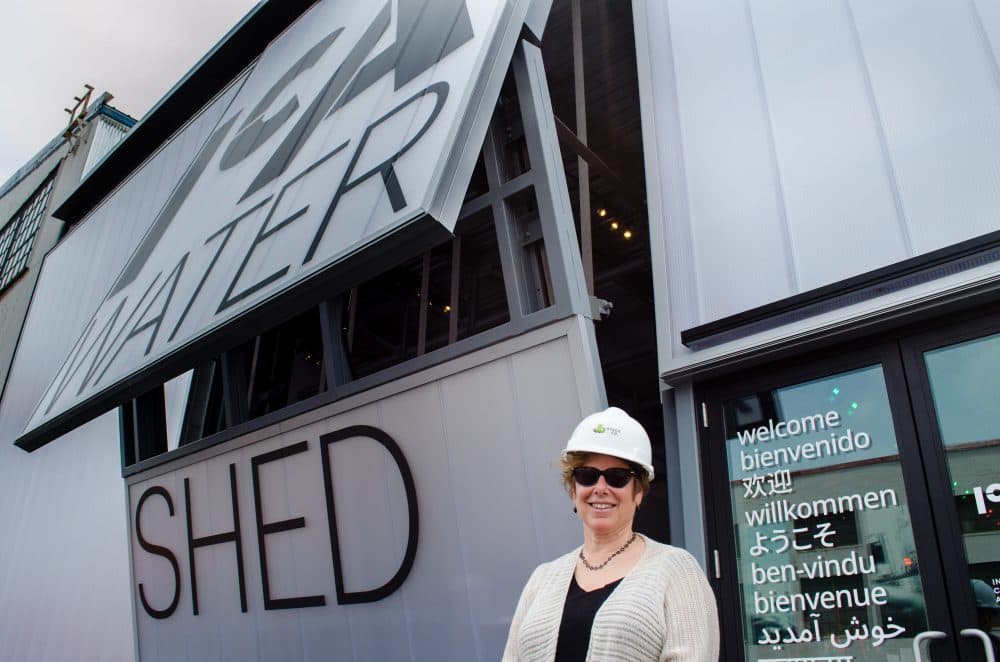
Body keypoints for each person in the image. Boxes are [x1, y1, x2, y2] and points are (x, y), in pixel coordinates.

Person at [503, 407, 720, 661]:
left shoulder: (677, 572)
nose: (600, 488)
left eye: (617, 477)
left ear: (638, 492)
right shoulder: (542, 579)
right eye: (587, 476)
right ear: (574, 489)